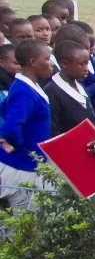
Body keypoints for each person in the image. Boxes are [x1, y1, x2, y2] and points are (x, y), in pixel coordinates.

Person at [0, 40, 53, 210]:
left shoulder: (23, 85)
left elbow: (4, 108)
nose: (51, 63)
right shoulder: (25, 92)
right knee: (24, 226)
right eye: (47, 58)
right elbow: (11, 127)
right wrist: (16, 144)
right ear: (32, 62)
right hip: (22, 168)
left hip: (26, 165)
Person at [45, 39, 95, 138]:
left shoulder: (80, 86)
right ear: (64, 64)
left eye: (87, 63)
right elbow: (54, 131)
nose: (86, 68)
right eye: (82, 64)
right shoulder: (52, 92)